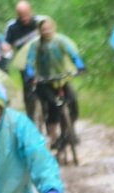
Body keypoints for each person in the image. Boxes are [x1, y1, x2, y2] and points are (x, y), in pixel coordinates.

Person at [25, 18, 85, 148]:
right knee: (53, 105)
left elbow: (72, 54)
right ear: (39, 31)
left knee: (73, 101)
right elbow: (29, 61)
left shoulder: (60, 41)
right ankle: (53, 136)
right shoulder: (35, 45)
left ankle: (70, 130)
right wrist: (30, 75)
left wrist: (80, 66)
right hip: (44, 81)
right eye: (43, 29)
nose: (46, 31)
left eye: (48, 28)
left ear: (53, 28)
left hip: (61, 79)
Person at [3, 1, 44, 120]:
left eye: (26, 14)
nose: (24, 18)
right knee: (28, 89)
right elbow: (7, 44)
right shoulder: (12, 27)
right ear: (17, 14)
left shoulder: (39, 22)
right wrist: (6, 47)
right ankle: (30, 116)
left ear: (30, 11)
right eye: (21, 15)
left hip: (41, 58)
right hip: (24, 62)